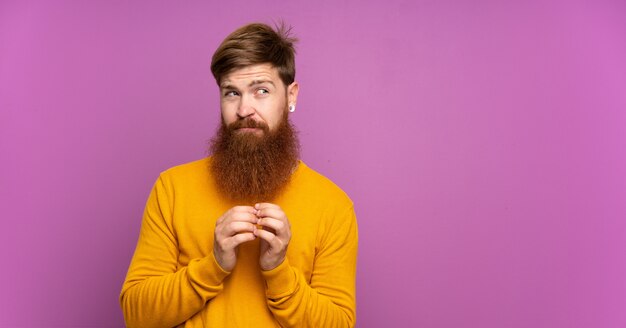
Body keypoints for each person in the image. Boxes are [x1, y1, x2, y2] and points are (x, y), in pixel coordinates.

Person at [120, 22, 358, 328]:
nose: (245, 108)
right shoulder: (172, 188)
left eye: (261, 90)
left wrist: (278, 270)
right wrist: (213, 264)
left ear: (291, 95)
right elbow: (137, 316)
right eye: (232, 93)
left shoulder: (333, 206)